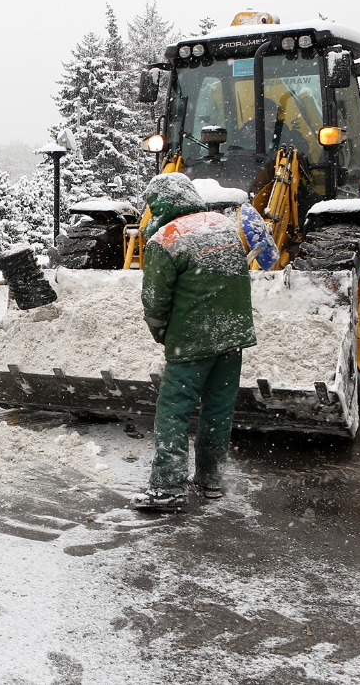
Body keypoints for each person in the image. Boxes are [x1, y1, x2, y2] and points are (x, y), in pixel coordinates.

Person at [132, 173, 256, 513]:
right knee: (218, 409)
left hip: (191, 343)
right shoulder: (223, 226)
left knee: (174, 410)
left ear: (159, 205)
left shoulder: (165, 239)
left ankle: (168, 487)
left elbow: (155, 300)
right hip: (232, 337)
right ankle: (210, 479)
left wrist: (162, 333)